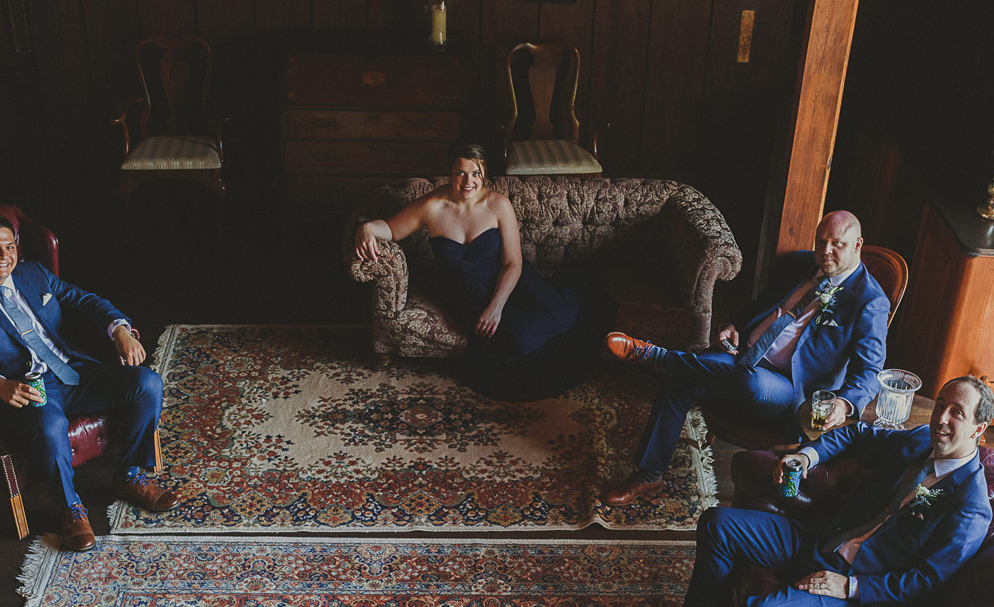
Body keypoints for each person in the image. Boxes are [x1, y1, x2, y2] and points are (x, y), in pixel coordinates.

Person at [683, 375, 994, 607]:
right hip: (820, 538)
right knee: (717, 523)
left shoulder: (971, 505)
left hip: (854, 586)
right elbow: (857, 434)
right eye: (940, 405)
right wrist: (807, 456)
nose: (940, 418)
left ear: (978, 429)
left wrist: (851, 587)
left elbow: (927, 579)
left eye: (957, 412)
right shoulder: (918, 441)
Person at [602, 210, 888, 506]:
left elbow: (870, 369)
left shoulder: (870, 300)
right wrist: (732, 327)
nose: (826, 251)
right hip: (742, 355)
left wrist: (844, 402)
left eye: (837, 244)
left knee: (751, 383)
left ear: (857, 245)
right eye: (821, 242)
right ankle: (650, 475)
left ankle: (658, 355)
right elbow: (760, 306)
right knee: (681, 378)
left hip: (785, 386)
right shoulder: (802, 263)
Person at [0, 213, 180, 552]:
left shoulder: (33, 274)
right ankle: (72, 508)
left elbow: (84, 301)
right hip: (28, 386)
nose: (5, 256)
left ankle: (130, 476)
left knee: (146, 382)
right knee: (50, 425)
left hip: (73, 370)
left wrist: (119, 329)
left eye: (9, 246)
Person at [355, 142, 614, 401]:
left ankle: (559, 301)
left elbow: (513, 262)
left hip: (511, 280)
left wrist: (497, 306)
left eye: (476, 173)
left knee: (562, 315)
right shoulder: (431, 206)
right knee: (520, 341)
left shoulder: (498, 204)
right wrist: (367, 228)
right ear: (450, 173)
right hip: (468, 292)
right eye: (460, 173)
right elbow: (390, 229)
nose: (468, 181)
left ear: (484, 174)